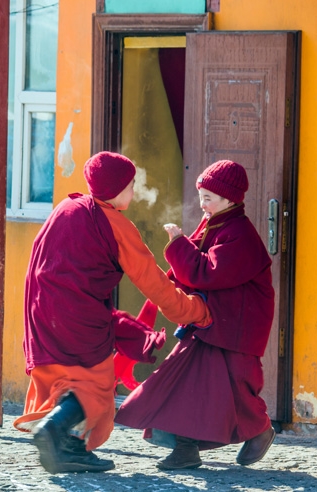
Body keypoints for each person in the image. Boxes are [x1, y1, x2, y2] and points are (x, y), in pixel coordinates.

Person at [14, 151, 211, 474]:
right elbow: (155, 285)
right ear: (118, 188)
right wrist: (195, 312)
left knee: (66, 379)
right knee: (95, 383)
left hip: (40, 309)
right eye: (131, 185)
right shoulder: (116, 225)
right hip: (77, 314)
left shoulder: (66, 207)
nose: (134, 191)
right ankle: (54, 430)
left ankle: (71, 449)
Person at [115, 160, 276, 471]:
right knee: (181, 380)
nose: (202, 204)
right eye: (201, 196)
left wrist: (177, 244)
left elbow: (206, 272)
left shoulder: (240, 233)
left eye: (208, 198)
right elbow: (192, 267)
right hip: (210, 323)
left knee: (236, 387)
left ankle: (260, 429)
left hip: (237, 327)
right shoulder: (215, 223)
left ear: (230, 199)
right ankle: (185, 448)